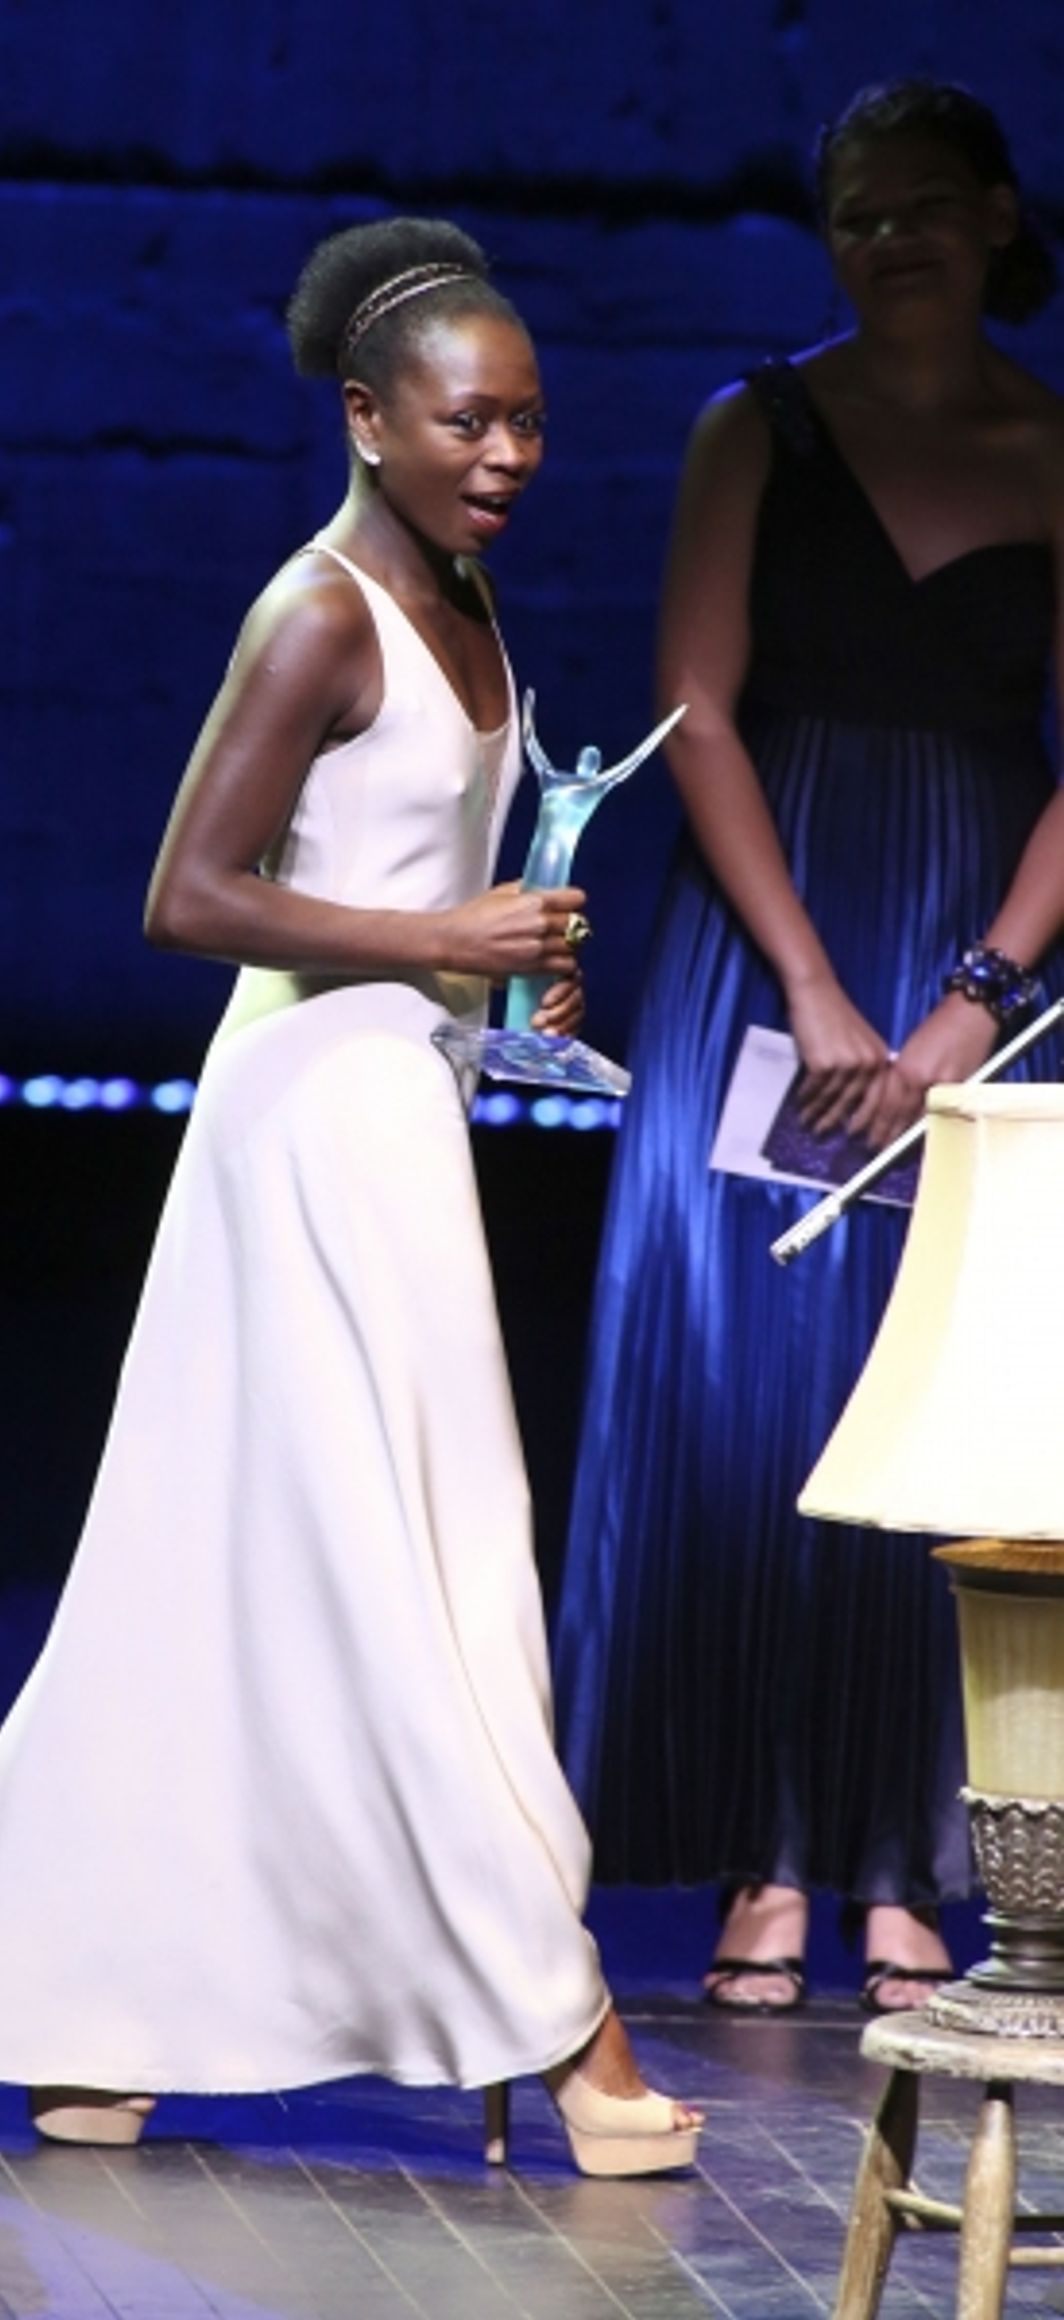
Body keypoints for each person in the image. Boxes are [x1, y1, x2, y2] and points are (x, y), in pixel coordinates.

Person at [0, 217, 700, 2176]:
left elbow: (422, 895)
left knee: (309, 1574)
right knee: (378, 1583)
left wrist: (501, 973)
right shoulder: (315, 612)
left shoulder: (476, 608)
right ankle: (564, 2015)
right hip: (304, 1127)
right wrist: (433, 933)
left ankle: (72, 2007)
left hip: (404, 1118)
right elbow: (187, 895)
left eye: (528, 421)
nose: (503, 451)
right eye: (465, 419)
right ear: (365, 418)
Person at [554, 80, 1064, 2015]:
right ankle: (762, 1852)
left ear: (1002, 219)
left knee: (928, 1392)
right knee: (744, 1394)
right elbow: (694, 710)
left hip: (965, 946)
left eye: (930, 206)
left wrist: (966, 1005)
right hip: (761, 950)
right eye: (859, 212)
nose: (894, 238)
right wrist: (818, 991)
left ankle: (908, 1856)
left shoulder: (1053, 448)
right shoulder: (752, 424)